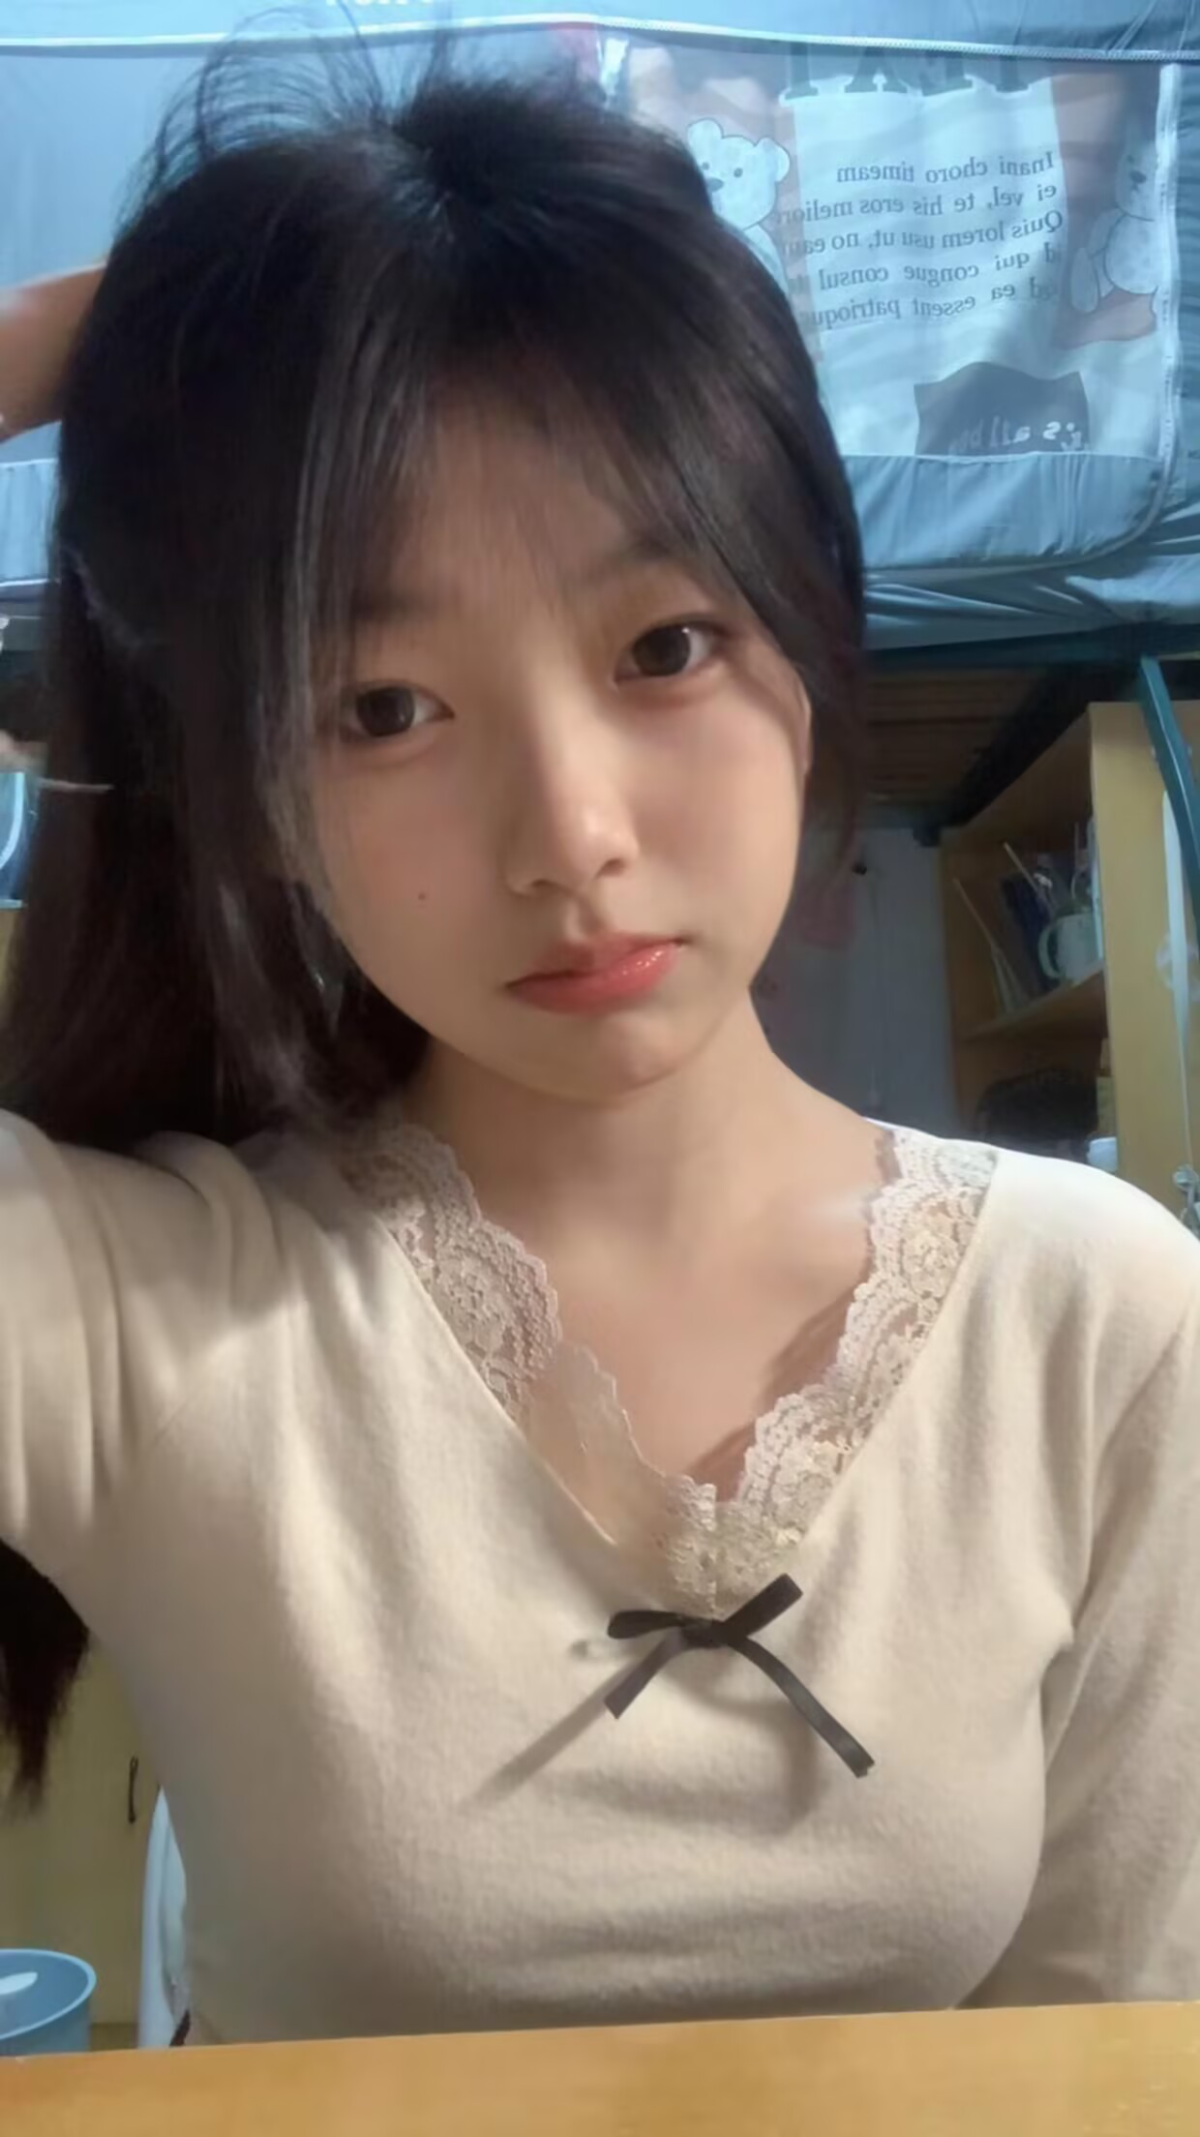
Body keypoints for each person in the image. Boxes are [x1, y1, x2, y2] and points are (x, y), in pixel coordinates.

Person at [0, 54, 1198, 2052]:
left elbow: (1117, 2054)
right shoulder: (125, 1312)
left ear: (807, 649)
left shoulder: (1103, 1319)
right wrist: (127, 341)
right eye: (383, 707)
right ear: (253, 795)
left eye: (663, 648)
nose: (568, 838)